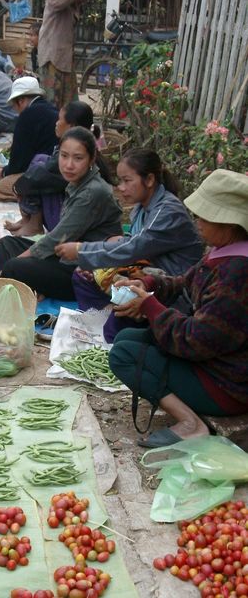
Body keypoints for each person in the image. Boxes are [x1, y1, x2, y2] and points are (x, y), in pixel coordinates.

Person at [107, 169, 248, 449]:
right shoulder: (224, 252)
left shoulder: (237, 272)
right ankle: (188, 415)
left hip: (229, 385)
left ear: (229, 223)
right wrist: (149, 282)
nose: (197, 222)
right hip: (217, 364)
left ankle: (190, 424)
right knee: (127, 340)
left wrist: (151, 306)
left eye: (203, 216)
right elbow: (186, 280)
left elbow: (196, 340)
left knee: (123, 355)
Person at [55, 148, 204, 340]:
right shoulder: (141, 209)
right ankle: (106, 317)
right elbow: (130, 245)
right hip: (146, 275)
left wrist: (81, 250)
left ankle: (120, 324)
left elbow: (132, 248)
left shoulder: (168, 212)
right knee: (83, 276)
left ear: (149, 180)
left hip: (170, 289)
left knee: (116, 330)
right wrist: (92, 260)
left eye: (127, 181)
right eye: (120, 181)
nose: (121, 188)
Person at [0, 127, 122, 300]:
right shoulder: (76, 182)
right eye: (64, 156)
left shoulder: (92, 192)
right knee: (5, 245)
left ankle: (23, 286)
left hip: (84, 272)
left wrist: (19, 261)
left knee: (14, 266)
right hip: (64, 257)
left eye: (78, 158)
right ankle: (31, 288)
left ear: (92, 159)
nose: (69, 165)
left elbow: (57, 238)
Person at [4, 101, 113, 237]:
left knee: (38, 176)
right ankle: (29, 220)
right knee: (40, 161)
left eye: (59, 120)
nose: (56, 123)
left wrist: (18, 186)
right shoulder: (83, 145)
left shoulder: (77, 157)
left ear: (71, 126)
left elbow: (40, 177)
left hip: (75, 223)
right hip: (76, 214)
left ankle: (34, 224)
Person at [0, 76, 59, 202]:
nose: (16, 110)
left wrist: (4, 172)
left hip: (47, 174)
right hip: (56, 168)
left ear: (21, 100)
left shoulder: (27, 115)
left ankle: (35, 198)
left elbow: (18, 163)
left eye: (14, 106)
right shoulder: (52, 108)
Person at [37, 0, 80, 109]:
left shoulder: (72, 5)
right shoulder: (55, 0)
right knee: (51, 104)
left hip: (65, 58)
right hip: (52, 58)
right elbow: (57, 2)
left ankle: (66, 124)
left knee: (69, 105)